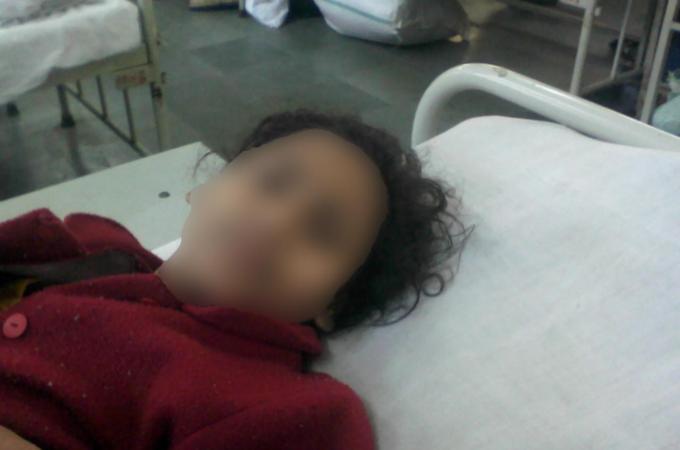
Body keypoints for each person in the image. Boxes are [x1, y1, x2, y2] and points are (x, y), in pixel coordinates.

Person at [0, 109, 472, 449]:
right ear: (205, 188)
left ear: (335, 302)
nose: (276, 223)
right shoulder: (86, 243)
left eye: (323, 233)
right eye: (271, 182)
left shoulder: (283, 410)